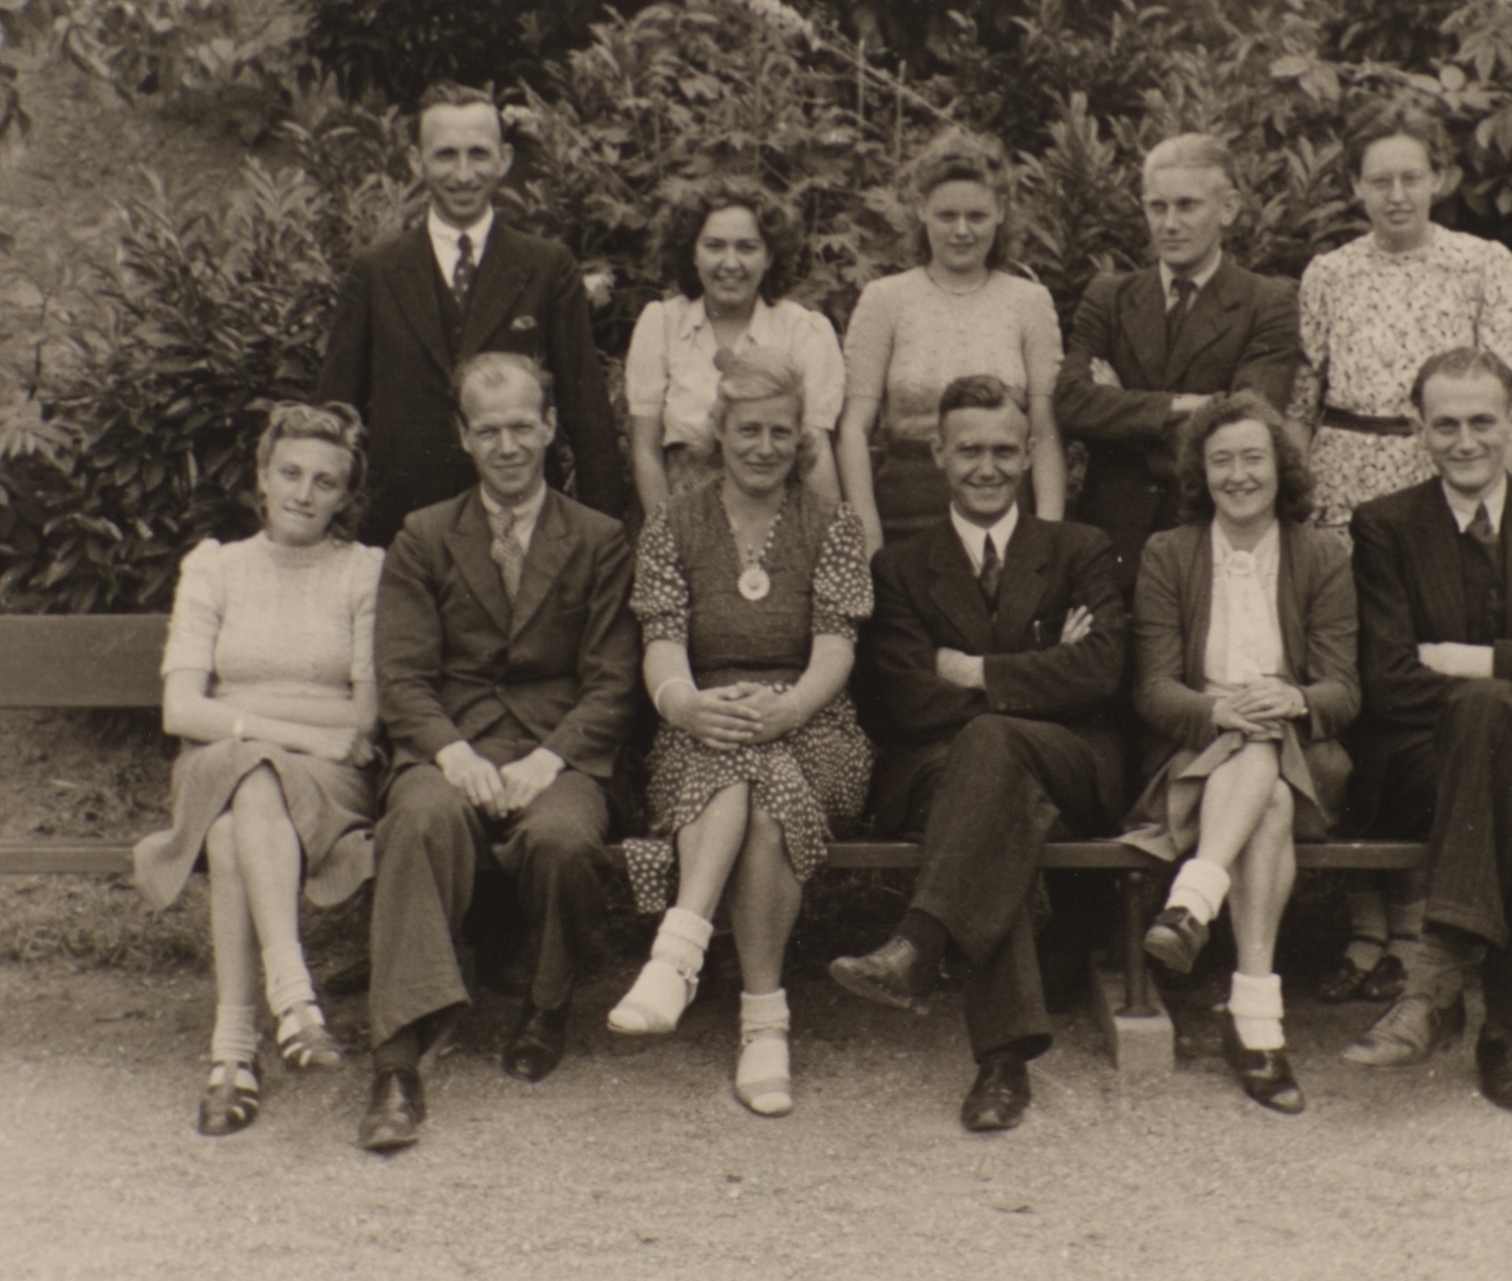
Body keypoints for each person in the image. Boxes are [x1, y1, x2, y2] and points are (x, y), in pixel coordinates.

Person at [829, 375, 1127, 1132]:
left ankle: (919, 941)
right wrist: (1042, 672)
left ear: (1029, 454)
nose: (986, 467)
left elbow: (1101, 674)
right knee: (994, 789)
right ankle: (1001, 1063)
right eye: (969, 451)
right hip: (936, 769)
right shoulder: (900, 568)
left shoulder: (1080, 550)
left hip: (1071, 763)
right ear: (938, 453)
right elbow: (906, 700)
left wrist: (973, 671)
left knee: (991, 752)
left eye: (1002, 450)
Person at [360, 351, 638, 1153]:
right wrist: (451, 753)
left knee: (563, 838)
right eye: (489, 431)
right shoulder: (424, 537)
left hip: (558, 748)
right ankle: (397, 1059)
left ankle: (546, 1006)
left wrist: (550, 759)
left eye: (522, 426)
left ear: (550, 427)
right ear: (463, 437)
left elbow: (613, 680)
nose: (508, 445)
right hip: (452, 742)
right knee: (417, 822)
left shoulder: (599, 539)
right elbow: (403, 676)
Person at [1339, 348, 1512, 1119]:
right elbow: (1389, 681)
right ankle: (1508, 1035)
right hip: (1423, 764)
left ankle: (1433, 987)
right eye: (1445, 425)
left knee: (1503, 726)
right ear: (1418, 428)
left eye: (1481, 421)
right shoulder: (1385, 527)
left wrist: (1471, 660)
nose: (1464, 441)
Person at [1296, 102, 1512, 1005]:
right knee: (1359, 684)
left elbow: (1505, 400)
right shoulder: (1328, 273)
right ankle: (1367, 926)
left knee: (1432, 694)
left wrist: (1505, 521)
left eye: (1411, 176)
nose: (1396, 194)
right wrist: (1297, 515)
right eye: (1378, 180)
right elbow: (1304, 398)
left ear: (1438, 179)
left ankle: (1426, 924)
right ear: (1355, 188)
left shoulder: (1483, 263)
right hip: (1342, 485)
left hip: (1447, 479)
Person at [607, 348, 874, 1117]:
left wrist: (792, 707)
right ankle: (765, 1024)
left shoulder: (832, 523)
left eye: (781, 431)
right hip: (702, 722)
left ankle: (676, 955)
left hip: (815, 725)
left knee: (762, 776)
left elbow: (836, 646)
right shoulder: (673, 522)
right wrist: (685, 705)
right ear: (719, 431)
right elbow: (661, 640)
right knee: (741, 771)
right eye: (749, 429)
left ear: (801, 438)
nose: (764, 446)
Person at [136, 402, 382, 1136]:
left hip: (323, 780)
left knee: (235, 821)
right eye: (290, 473)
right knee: (252, 774)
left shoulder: (364, 572)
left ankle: (233, 1052)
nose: (304, 493)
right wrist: (296, 728)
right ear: (262, 477)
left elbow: (366, 715)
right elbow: (181, 710)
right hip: (234, 760)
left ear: (345, 495)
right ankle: (293, 993)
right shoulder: (215, 567)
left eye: (325, 481)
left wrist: (239, 711)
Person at [1119, 391, 1358, 1115]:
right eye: (1220, 461)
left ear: (1282, 467)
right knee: (1267, 794)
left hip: (1303, 756)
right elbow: (1153, 689)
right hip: (1196, 758)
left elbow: (1344, 690)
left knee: (1271, 755)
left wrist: (1294, 700)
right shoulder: (1169, 553)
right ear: (1200, 474)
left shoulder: (1322, 555)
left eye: (1253, 457)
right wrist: (1219, 711)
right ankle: (1255, 1020)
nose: (1238, 475)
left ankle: (1193, 898)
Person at [319, 81, 626, 545]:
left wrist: (604, 549)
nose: (463, 174)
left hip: (522, 532)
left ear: (504, 159)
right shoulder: (375, 273)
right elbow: (334, 419)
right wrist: (332, 538)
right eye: (446, 155)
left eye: (478, 154)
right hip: (400, 534)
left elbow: (590, 424)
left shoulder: (547, 267)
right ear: (416, 162)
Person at [1055, 134, 1301, 578]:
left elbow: (1246, 428)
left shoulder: (1267, 302)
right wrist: (1183, 405)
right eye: (1157, 207)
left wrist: (1122, 407)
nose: (1169, 223)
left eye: (1187, 206)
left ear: (1227, 208)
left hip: (1212, 535)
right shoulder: (1109, 296)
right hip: (1111, 538)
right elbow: (1071, 403)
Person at [838, 129, 1067, 554]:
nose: (961, 231)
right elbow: (854, 427)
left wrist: (1049, 535)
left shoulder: (1030, 302)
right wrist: (868, 533)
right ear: (922, 210)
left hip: (1003, 505)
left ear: (1001, 212)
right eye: (946, 216)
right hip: (905, 508)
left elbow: (1044, 428)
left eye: (976, 216)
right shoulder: (884, 299)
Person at [624, 176, 846, 511]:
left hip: (780, 515)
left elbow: (816, 452)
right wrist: (665, 532)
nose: (730, 263)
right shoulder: (661, 324)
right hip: (683, 512)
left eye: (747, 248)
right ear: (693, 253)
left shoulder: (804, 330)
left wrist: (830, 534)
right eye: (715, 246)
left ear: (769, 256)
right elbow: (646, 451)